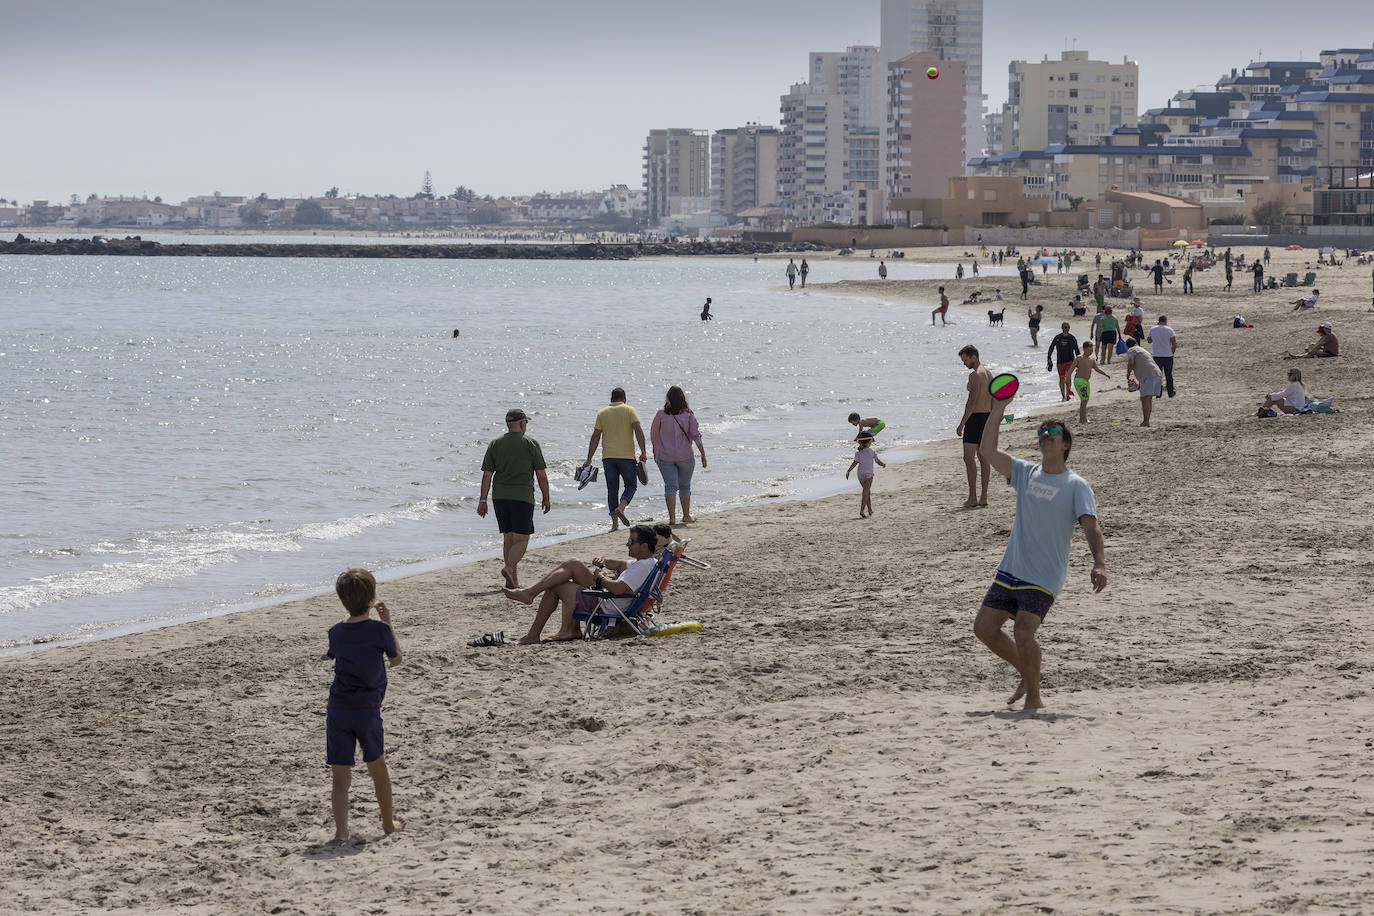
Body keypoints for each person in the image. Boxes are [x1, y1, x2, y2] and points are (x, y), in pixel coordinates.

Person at [974, 401, 1107, 711]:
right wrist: (998, 407)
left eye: (1052, 433)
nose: (1045, 435)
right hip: (1012, 569)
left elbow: (1091, 526)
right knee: (984, 628)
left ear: (1066, 444)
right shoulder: (1025, 472)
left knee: (1023, 630)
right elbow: (987, 451)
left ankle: (1034, 698)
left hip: (1044, 575)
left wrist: (1099, 562)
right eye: (1041, 432)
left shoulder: (1077, 486)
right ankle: (1027, 669)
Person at [326, 568, 404, 842]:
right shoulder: (380, 629)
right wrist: (388, 622)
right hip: (367, 709)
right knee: (377, 767)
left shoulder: (335, 632)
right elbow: (396, 659)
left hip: (337, 708)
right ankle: (387, 824)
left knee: (340, 777)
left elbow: (336, 650)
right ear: (372, 598)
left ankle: (341, 831)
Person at [502, 524, 660, 643]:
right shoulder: (647, 562)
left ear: (644, 546)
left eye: (631, 541)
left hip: (607, 602)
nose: (627, 544)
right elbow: (620, 564)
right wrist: (604, 562)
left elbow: (618, 589)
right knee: (573, 564)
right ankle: (534, 599)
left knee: (556, 585)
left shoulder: (642, 566)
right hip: (610, 596)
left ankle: (539, 632)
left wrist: (600, 578)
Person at [478, 409, 551, 588]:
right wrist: (546, 498)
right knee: (522, 539)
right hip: (522, 497)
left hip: (500, 497)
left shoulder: (495, 443)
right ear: (522, 423)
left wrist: (482, 500)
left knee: (508, 539)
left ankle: (512, 582)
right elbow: (541, 475)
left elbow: (487, 475)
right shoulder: (530, 443)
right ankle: (509, 568)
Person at [581, 387, 647, 532]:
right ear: (625, 399)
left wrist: (589, 458)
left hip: (608, 457)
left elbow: (595, 436)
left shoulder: (602, 413)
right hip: (627, 457)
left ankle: (614, 525)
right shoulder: (630, 410)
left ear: (611, 399)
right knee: (631, 486)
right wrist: (643, 451)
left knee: (612, 489)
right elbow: (638, 431)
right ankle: (621, 508)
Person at [650, 386, 707, 526]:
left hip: (665, 456)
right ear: (683, 399)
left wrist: (655, 450)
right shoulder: (688, 415)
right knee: (685, 486)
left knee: (670, 486)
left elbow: (654, 434)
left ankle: (672, 518)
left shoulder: (661, 414)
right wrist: (703, 454)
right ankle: (686, 516)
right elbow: (696, 436)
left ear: (668, 398)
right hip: (685, 456)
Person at [956, 344, 993, 508]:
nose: (964, 363)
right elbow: (993, 399)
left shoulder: (974, 376)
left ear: (973, 357)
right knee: (983, 458)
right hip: (987, 417)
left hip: (974, 419)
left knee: (968, 458)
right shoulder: (988, 373)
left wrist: (961, 424)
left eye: (965, 360)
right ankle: (983, 497)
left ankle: (972, 497)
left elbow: (970, 403)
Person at [846, 432, 886, 518]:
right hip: (868, 474)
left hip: (860, 475)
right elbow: (878, 461)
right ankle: (862, 510)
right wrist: (883, 464)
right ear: (868, 442)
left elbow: (855, 463)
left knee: (867, 491)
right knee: (865, 492)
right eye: (871, 441)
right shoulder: (872, 451)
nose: (871, 442)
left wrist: (848, 471)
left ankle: (870, 510)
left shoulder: (858, 453)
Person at [1125, 340, 1164, 427]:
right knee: (1147, 399)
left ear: (1127, 346)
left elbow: (1131, 362)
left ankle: (1146, 422)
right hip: (1157, 374)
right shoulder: (1142, 349)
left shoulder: (1131, 350)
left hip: (1148, 375)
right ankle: (1146, 421)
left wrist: (1128, 374)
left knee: (1145, 399)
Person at [1069, 349, 1110, 424]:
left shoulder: (1092, 359)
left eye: (1092, 350)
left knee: (1085, 400)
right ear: (1084, 349)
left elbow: (1097, 369)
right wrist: (1067, 378)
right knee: (1084, 399)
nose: (1091, 352)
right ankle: (1083, 419)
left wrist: (1104, 374)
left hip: (1086, 382)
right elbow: (1071, 369)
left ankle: (1082, 419)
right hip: (1079, 381)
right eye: (1089, 350)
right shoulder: (1079, 358)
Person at [1047, 322, 1080, 401]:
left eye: (1068, 327)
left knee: (1068, 378)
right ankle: (1063, 396)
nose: (1067, 329)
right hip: (1060, 362)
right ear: (1062, 328)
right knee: (1062, 379)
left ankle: (1068, 394)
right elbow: (1051, 347)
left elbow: (1077, 350)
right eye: (1065, 327)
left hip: (1070, 361)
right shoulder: (1057, 337)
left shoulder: (1072, 338)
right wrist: (1049, 358)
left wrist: (1079, 362)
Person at [1147, 316, 1178, 398]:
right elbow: (1174, 343)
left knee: (1157, 375)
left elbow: (1149, 341)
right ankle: (1170, 393)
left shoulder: (1153, 329)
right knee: (1169, 375)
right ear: (1165, 321)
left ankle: (1158, 393)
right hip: (1168, 355)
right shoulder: (1169, 329)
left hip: (1157, 355)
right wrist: (1172, 353)